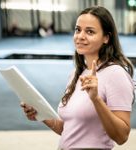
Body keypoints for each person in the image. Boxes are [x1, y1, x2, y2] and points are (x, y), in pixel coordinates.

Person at [20, 6, 135, 150]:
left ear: (106, 38)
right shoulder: (76, 73)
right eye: (77, 29)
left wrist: (96, 99)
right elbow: (68, 130)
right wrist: (40, 113)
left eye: (90, 32)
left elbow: (121, 137)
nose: (80, 36)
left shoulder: (115, 74)